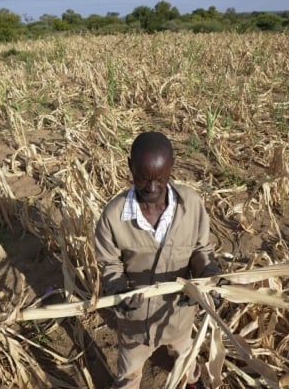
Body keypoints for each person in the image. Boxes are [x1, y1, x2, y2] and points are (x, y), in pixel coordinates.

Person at [94, 131, 219, 389]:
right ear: (130, 167)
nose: (151, 188)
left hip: (179, 316)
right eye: (142, 179)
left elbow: (200, 250)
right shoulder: (113, 217)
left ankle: (191, 380)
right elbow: (111, 264)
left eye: (160, 180)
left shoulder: (192, 205)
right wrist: (118, 289)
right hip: (135, 324)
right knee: (128, 373)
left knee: (185, 357)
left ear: (172, 167)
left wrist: (209, 278)